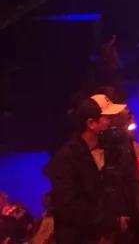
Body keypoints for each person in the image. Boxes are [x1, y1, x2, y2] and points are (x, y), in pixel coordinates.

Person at [46, 98, 111, 244]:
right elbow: (67, 206)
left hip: (95, 232)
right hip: (78, 237)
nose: (110, 122)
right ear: (91, 123)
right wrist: (100, 222)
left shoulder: (104, 149)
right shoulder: (66, 158)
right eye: (107, 118)